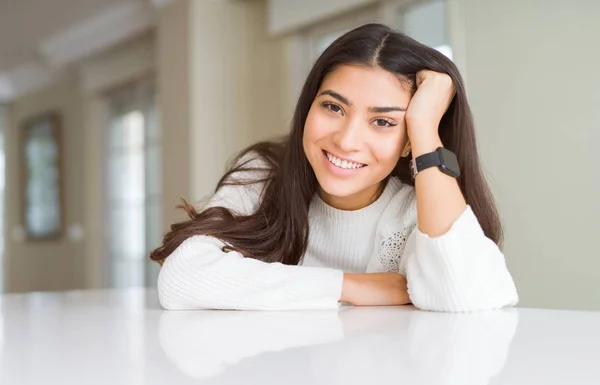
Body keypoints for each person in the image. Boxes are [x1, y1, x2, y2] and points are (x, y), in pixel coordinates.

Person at [150, 23, 519, 312]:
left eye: (384, 122)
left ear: (409, 141)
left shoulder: (415, 210)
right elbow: (182, 277)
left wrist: (424, 128)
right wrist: (353, 286)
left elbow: (465, 296)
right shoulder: (264, 173)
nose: (346, 140)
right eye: (333, 107)